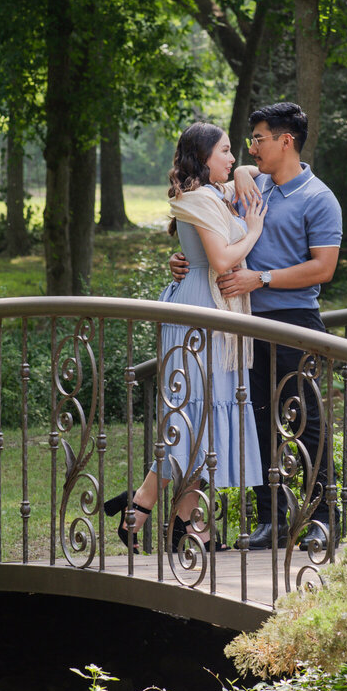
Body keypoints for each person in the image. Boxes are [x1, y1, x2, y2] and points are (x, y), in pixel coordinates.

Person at [168, 102, 341, 550]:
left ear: (287, 140)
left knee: (307, 422)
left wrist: (259, 278)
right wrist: (187, 261)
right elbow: (212, 217)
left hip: (295, 322)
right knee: (257, 421)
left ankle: (322, 520)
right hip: (243, 325)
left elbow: (323, 269)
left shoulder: (319, 199)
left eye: (259, 138)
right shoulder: (252, 184)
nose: (251, 147)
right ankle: (273, 521)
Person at [104, 122, 267, 552]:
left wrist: (244, 173)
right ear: (203, 155)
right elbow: (219, 260)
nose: (233, 159)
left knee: (204, 423)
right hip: (200, 312)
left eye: (234, 152)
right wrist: (252, 231)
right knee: (189, 421)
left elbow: (243, 179)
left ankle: (182, 525)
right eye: (226, 151)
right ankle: (146, 507)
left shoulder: (213, 193)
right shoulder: (198, 198)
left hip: (215, 311)